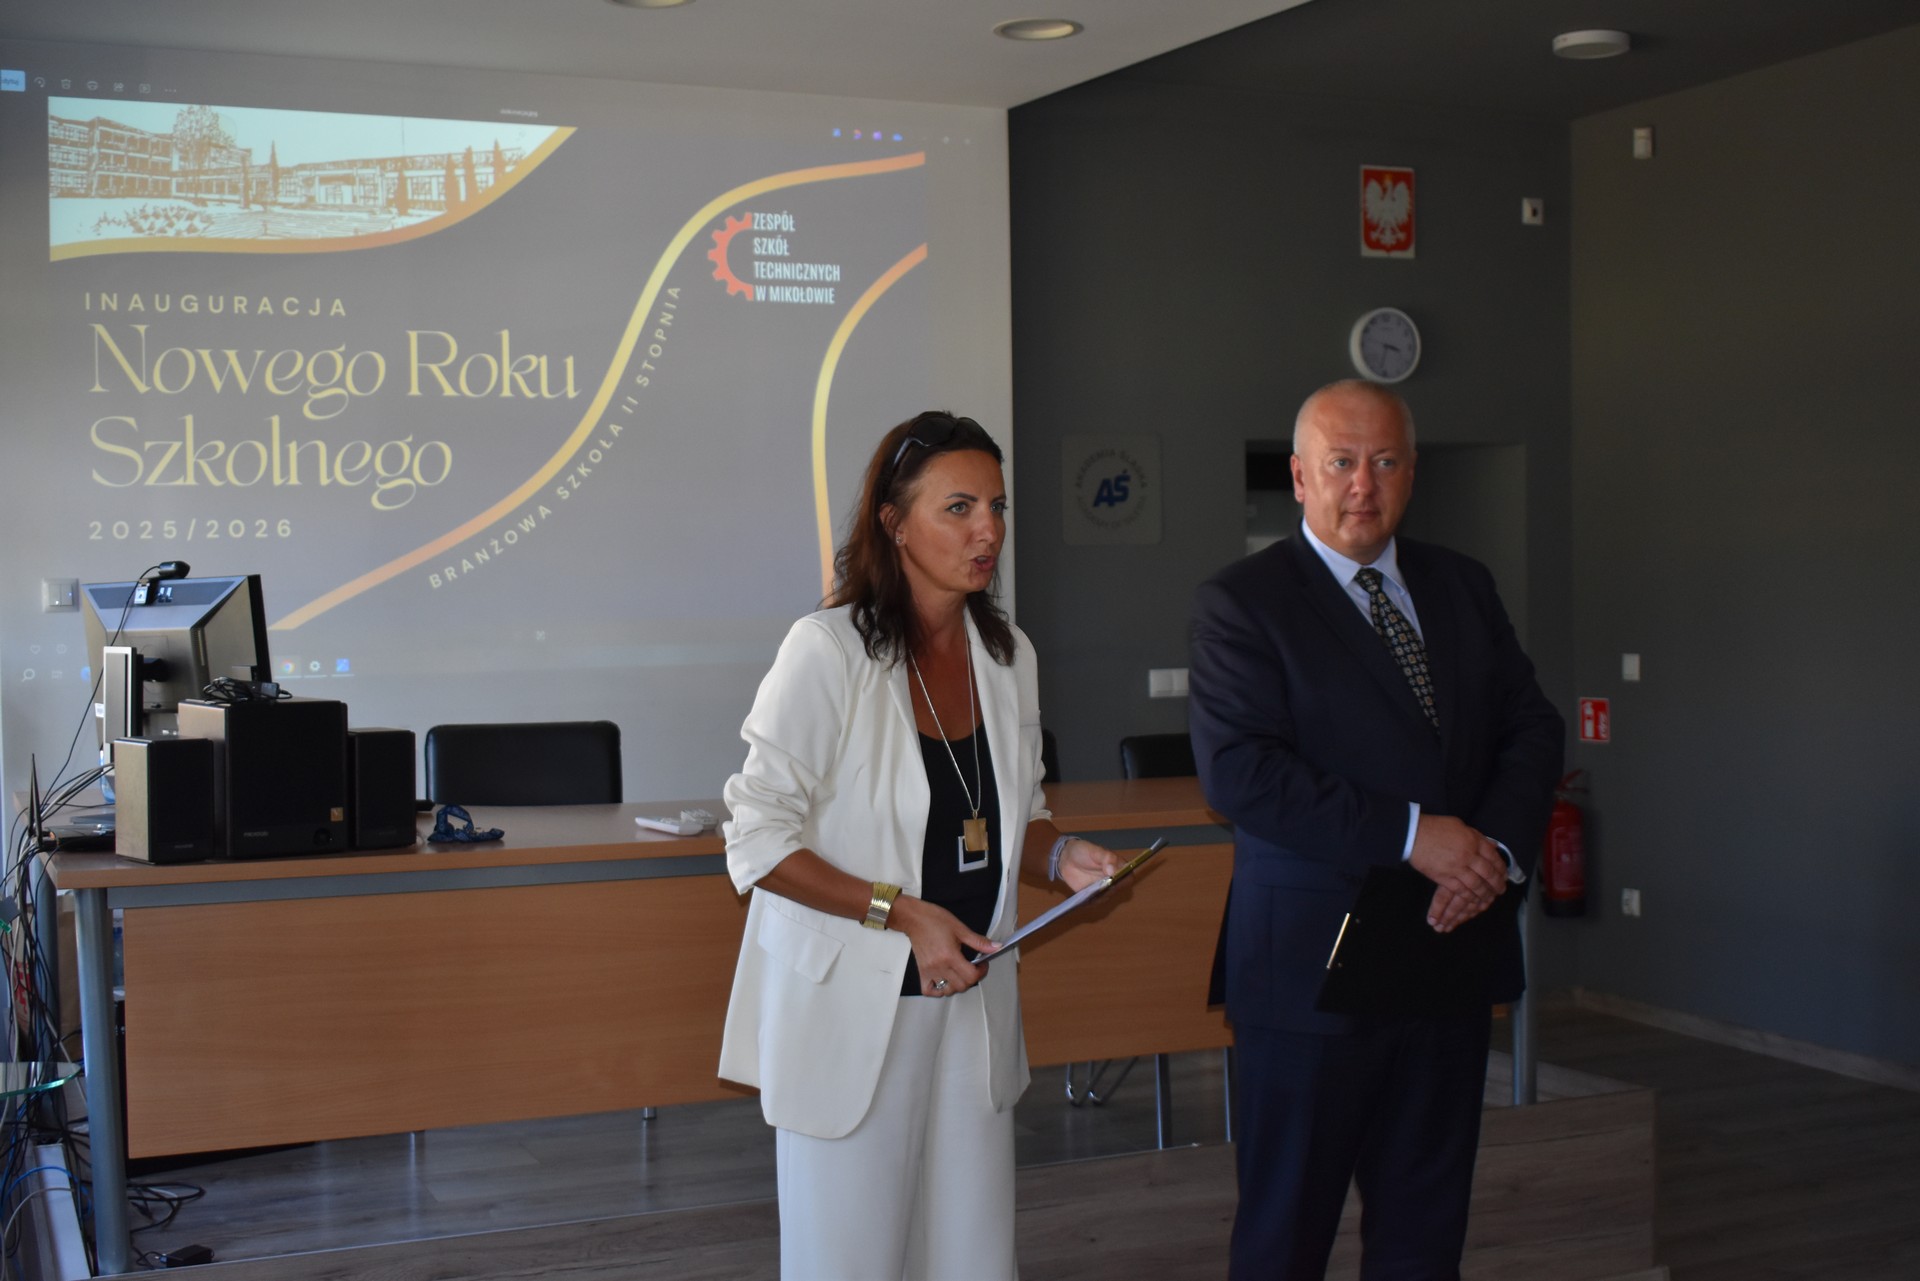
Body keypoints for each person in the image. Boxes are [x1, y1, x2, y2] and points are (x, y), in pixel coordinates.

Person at [718, 410, 1120, 1280]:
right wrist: (899, 913)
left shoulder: (1007, 656)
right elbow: (755, 839)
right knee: (848, 1262)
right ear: (894, 523)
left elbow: (1019, 813)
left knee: (971, 1259)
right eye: (959, 508)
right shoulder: (827, 650)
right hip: (854, 1006)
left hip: (971, 995)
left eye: (997, 507)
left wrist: (1060, 858)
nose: (988, 531)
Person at [1188, 380, 1564, 1280]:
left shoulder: (1462, 584)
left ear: (1412, 472)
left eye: (1386, 461)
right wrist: (1414, 835)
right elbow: (1241, 773)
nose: (1364, 483)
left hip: (1446, 956)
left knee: (1424, 1240)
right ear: (1299, 476)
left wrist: (1491, 852)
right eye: (1342, 462)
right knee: (1285, 1242)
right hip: (1309, 981)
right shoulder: (1244, 600)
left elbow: (1532, 726)